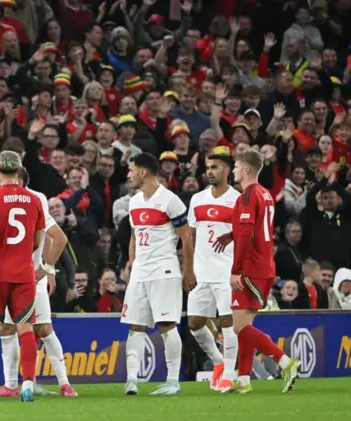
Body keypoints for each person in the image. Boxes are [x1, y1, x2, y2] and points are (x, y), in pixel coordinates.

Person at [213, 149, 300, 394]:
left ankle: (285, 362)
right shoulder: (265, 194)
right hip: (265, 264)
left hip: (251, 266)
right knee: (245, 325)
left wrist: (236, 270)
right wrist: (230, 234)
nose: (234, 171)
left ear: (247, 170)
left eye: (237, 167)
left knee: (240, 328)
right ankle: (243, 380)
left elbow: (245, 234)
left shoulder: (247, 195)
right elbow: (254, 227)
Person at [0, 168, 76, 398]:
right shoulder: (19, 198)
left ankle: (63, 383)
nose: (1, 182)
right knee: (9, 328)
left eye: (4, 177)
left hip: (25, 277)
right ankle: (12, 384)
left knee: (43, 328)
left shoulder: (33, 198)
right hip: (15, 276)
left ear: (17, 179)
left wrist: (46, 269)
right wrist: (47, 269)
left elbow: (56, 237)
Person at [0, 150, 45, 402]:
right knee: (25, 328)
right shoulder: (35, 200)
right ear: (20, 170)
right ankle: (27, 384)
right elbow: (37, 240)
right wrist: (21, 252)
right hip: (24, 273)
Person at [122, 153, 196, 396]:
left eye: (131, 170)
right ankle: (132, 380)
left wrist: (188, 271)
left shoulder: (170, 200)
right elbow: (134, 236)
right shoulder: (133, 202)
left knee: (166, 324)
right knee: (136, 325)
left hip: (164, 269)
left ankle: (173, 380)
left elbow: (186, 237)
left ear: (143, 172)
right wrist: (132, 264)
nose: (128, 175)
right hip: (140, 272)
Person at [186, 148, 240, 392]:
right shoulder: (197, 199)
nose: (209, 171)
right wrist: (188, 268)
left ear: (226, 171)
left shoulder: (237, 199)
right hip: (202, 272)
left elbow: (245, 237)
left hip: (227, 271)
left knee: (228, 322)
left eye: (215, 167)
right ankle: (218, 363)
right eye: (207, 168)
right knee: (195, 322)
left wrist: (239, 271)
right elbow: (191, 236)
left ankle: (229, 374)